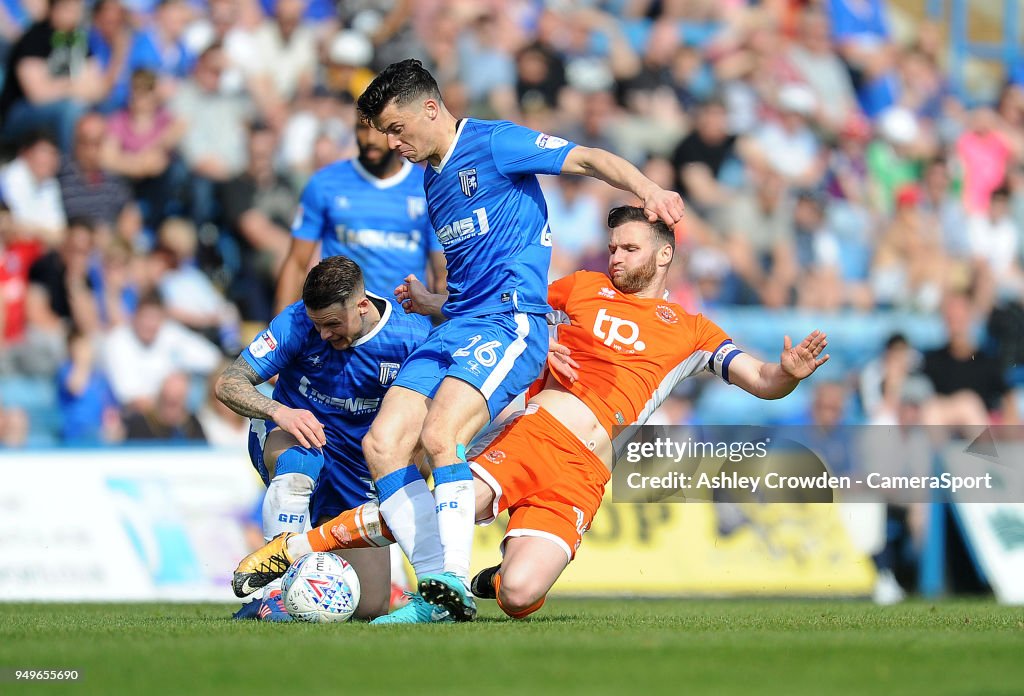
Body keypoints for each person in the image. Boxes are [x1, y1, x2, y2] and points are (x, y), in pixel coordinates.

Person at [234, 205, 828, 621]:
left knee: (518, 594)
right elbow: (504, 317)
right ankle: (300, 547)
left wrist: (788, 375)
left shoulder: (695, 331)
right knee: (461, 509)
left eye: (630, 248)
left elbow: (760, 380)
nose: (616, 257)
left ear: (664, 253)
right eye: (613, 246)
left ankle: (482, 583)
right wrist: (438, 304)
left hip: (587, 471)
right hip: (535, 432)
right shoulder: (579, 289)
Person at [347, 58, 685, 624]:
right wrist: (435, 304)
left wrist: (649, 188)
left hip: (508, 322)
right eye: (384, 134)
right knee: (382, 444)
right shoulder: (433, 181)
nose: (391, 144)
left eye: (397, 129)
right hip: (459, 325)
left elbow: (587, 158)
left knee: (440, 435)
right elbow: (469, 278)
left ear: (431, 109)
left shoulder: (495, 143)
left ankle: (440, 594)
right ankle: (438, 581)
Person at [216, 255, 431, 621]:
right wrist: (278, 411)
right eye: (317, 325)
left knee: (369, 606)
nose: (323, 335)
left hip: (356, 464)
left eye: (332, 324)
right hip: (289, 433)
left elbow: (430, 412)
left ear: (362, 306)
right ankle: (270, 596)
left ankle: (307, 584)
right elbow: (228, 382)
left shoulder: (411, 335)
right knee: (301, 460)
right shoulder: (297, 322)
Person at [274, 118, 444, 312]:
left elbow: (443, 274)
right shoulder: (325, 183)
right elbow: (296, 263)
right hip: (341, 326)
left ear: (397, 132)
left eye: (379, 130)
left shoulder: (427, 187)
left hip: (407, 327)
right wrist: (280, 333)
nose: (370, 139)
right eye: (363, 128)